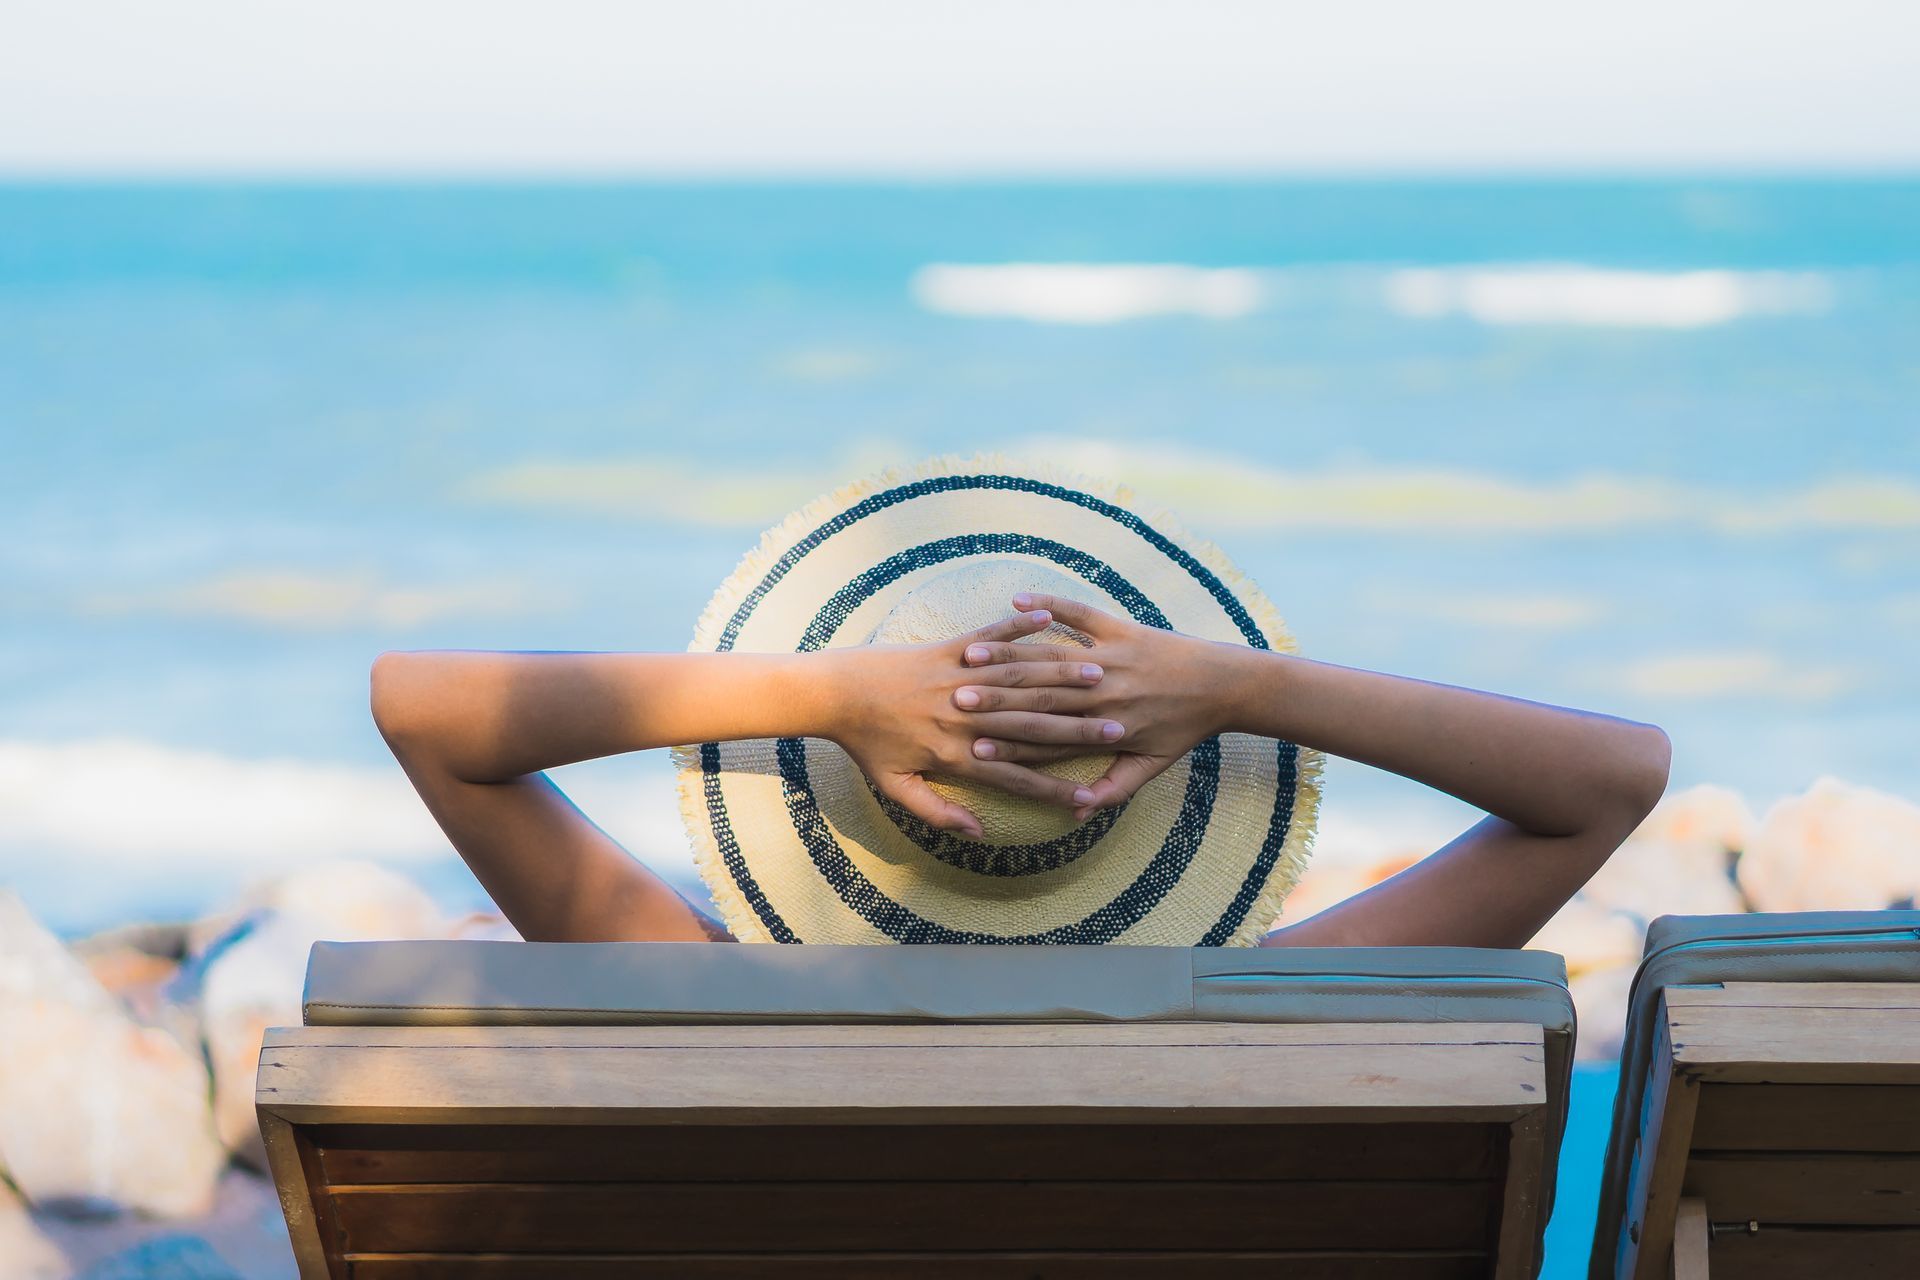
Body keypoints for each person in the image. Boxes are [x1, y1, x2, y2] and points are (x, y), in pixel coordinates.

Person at [371, 588, 1669, 950]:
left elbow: (422, 710)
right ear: (1151, 820)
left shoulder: (708, 1013)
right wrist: (1251, 683)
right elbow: (1610, 781)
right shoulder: (1270, 1031)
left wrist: (824, 694)